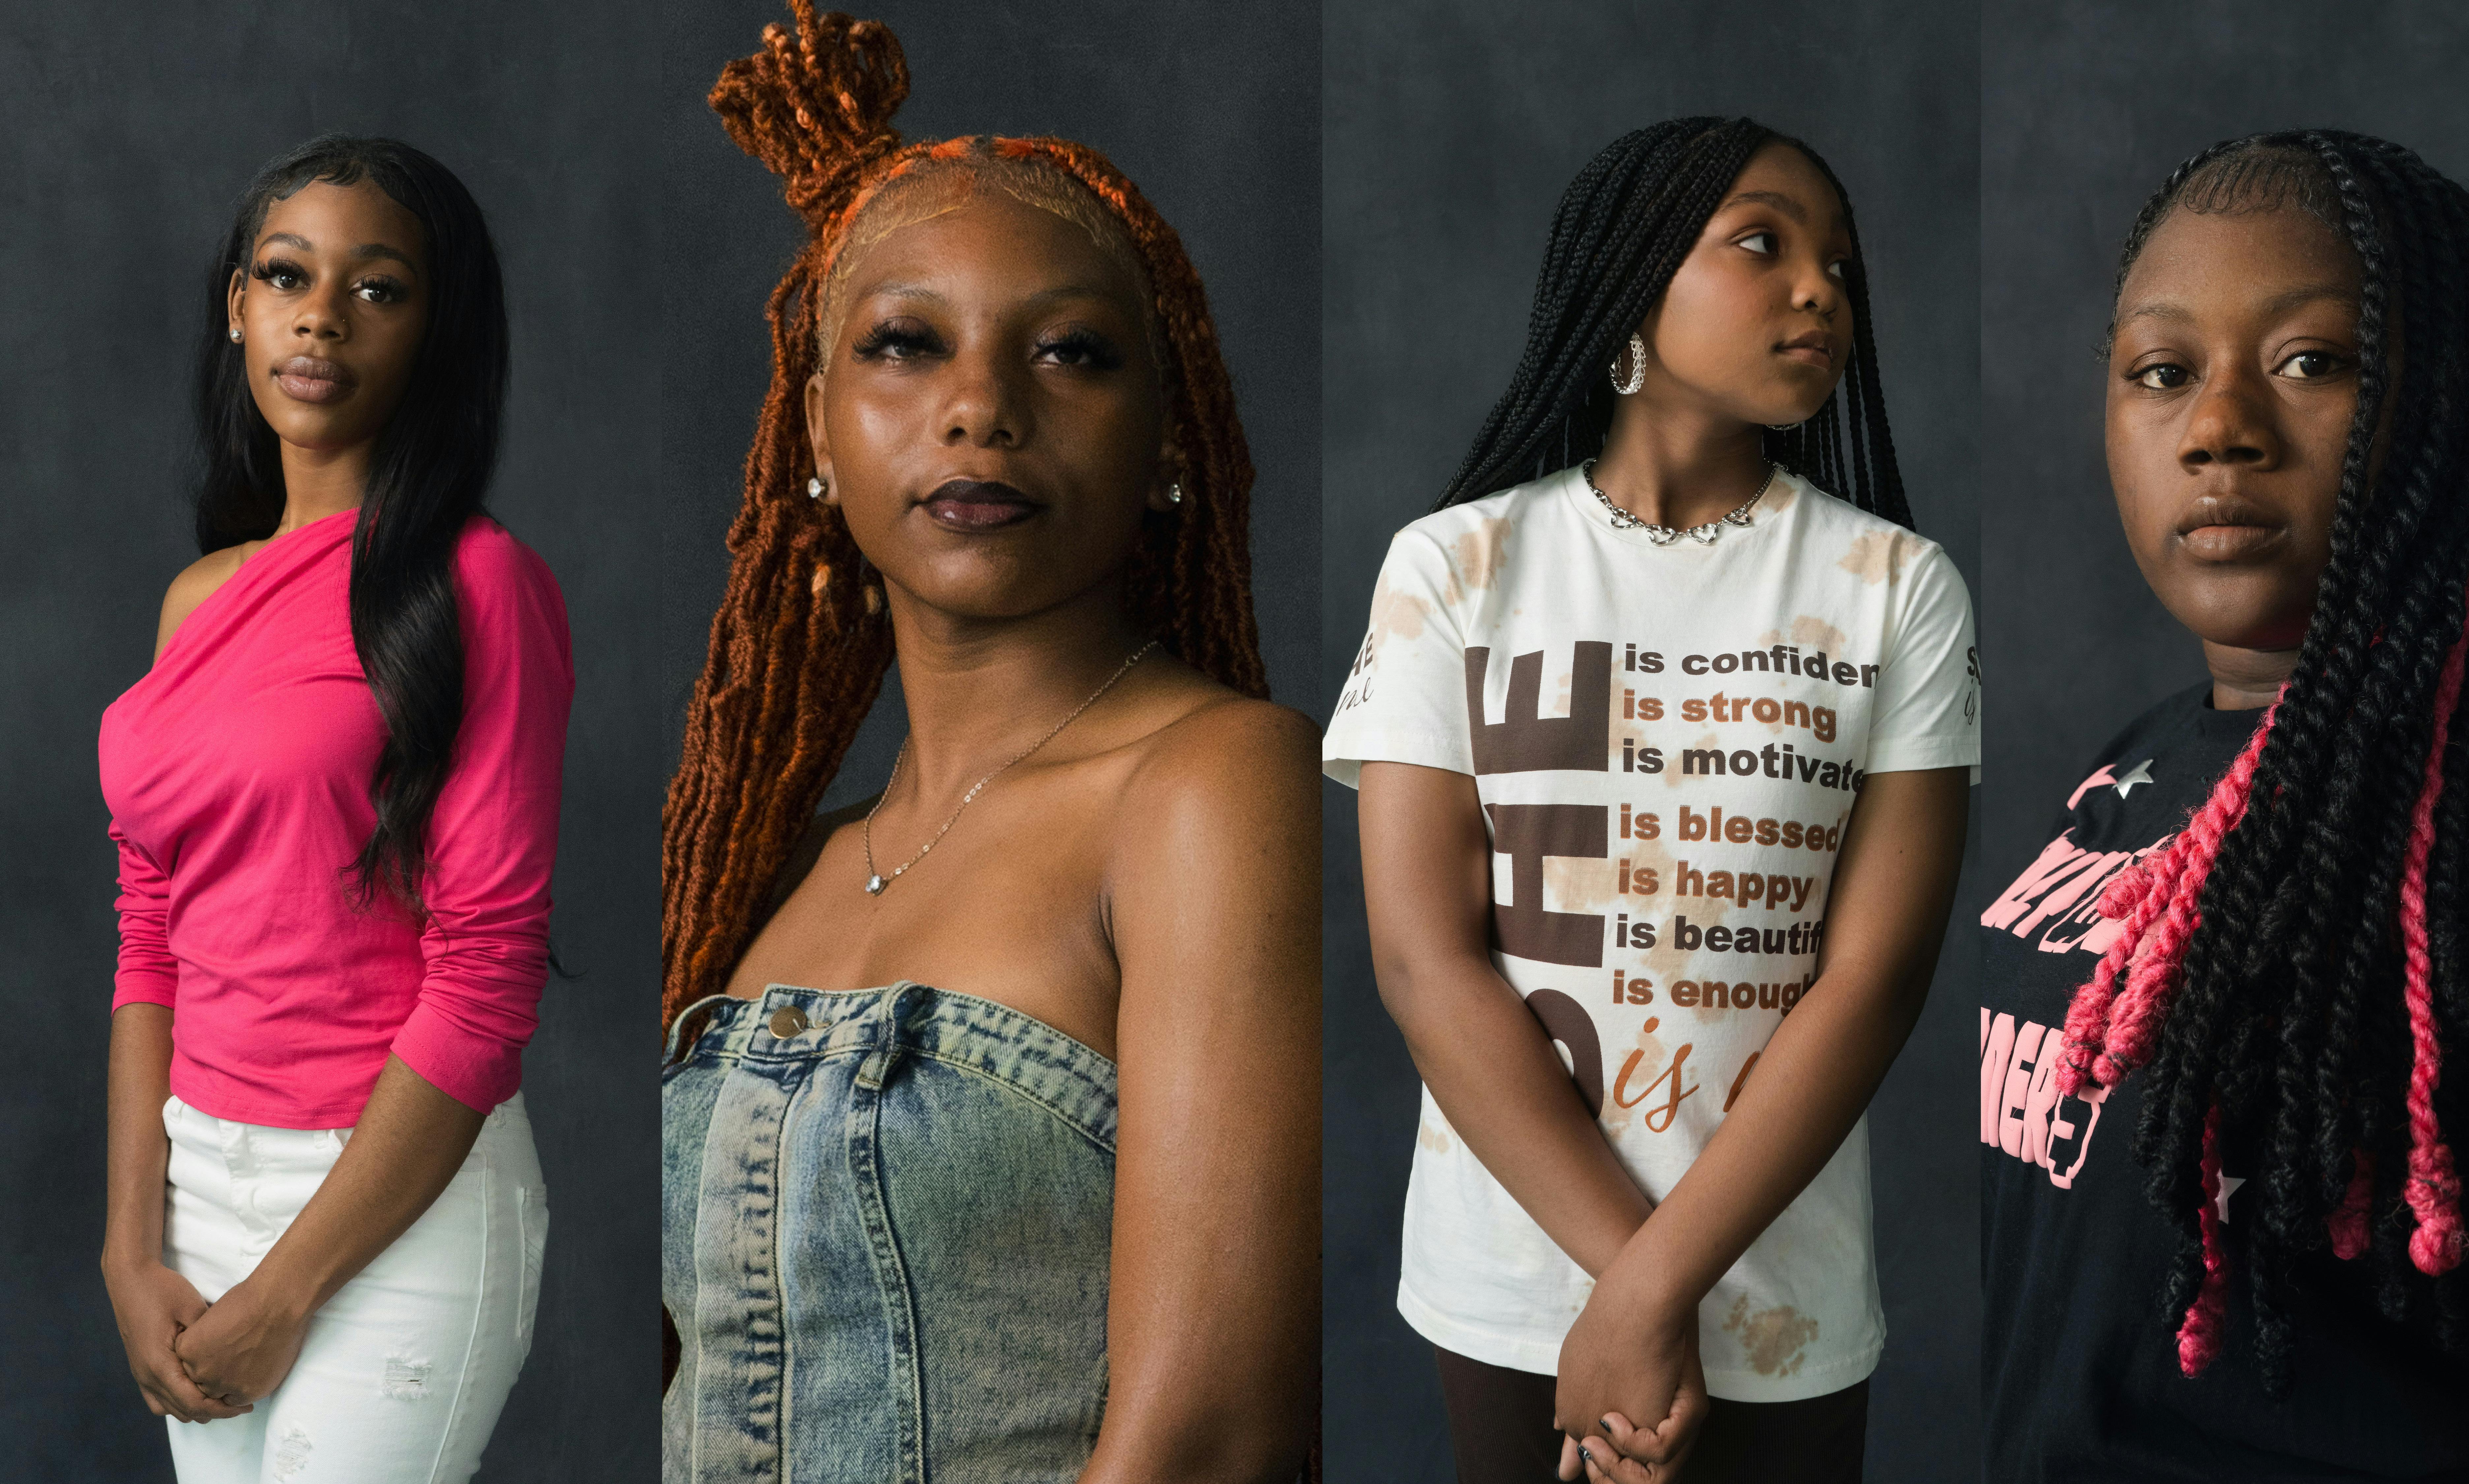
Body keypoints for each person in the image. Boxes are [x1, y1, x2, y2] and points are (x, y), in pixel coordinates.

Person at [657, 6, 1318, 1481]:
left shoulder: (1212, 785)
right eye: (905, 345)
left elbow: (1211, 1438)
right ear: (815, 432)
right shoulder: (785, 867)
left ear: (1166, 438)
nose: (980, 410)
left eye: (1072, 353)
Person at [1978, 131, 2469, 1484]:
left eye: (2311, 362)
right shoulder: (2137, 765)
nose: (2217, 428)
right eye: (2160, 374)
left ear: (2449, 404)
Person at [1325, 117, 1978, 1483]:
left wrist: (1645, 1296)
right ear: (1628, 282)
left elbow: (1873, 980)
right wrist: (1619, 1286)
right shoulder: (1455, 566)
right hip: (1508, 1284)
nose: (1819, 289)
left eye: (1840, 267)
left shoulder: (1894, 586)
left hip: (1778, 1293)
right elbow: (1422, 957)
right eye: (1760, 243)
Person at [97, 135, 570, 1482]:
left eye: (380, 288)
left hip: (390, 1212)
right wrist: (133, 1247)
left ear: (438, 329)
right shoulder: (199, 599)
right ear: (237, 305)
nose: (322, 314)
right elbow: (152, 939)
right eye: (288, 274)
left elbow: (484, 980)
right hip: (198, 1199)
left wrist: (294, 1286)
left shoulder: (480, 586)